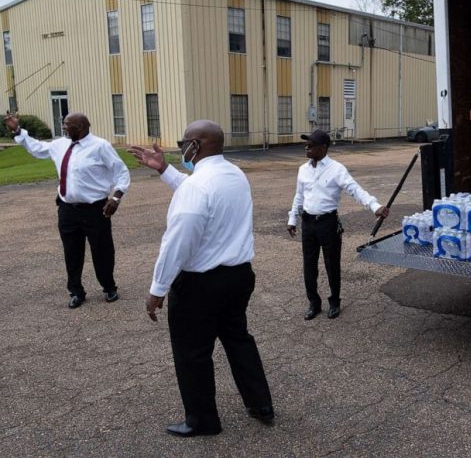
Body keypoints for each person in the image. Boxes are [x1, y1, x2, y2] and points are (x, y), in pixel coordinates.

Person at [128, 121, 273, 437]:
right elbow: (199, 191)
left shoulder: (197, 187)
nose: (181, 149)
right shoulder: (234, 175)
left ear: (196, 145)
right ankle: (261, 404)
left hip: (200, 286)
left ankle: (203, 420)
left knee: (192, 352)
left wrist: (158, 289)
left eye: (183, 143)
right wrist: (164, 169)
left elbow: (177, 242)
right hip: (238, 277)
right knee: (238, 340)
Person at [3, 112, 128, 308]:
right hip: (67, 209)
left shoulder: (100, 146)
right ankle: (76, 291)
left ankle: (109, 287)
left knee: (102, 250)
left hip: (95, 209)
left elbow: (121, 172)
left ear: (81, 127)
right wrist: (18, 130)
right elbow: (37, 148)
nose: (63, 128)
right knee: (72, 251)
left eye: (67, 125)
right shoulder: (60, 144)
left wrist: (115, 198)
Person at [287, 130, 390, 320]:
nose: (307, 147)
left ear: (324, 147)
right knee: (309, 266)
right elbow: (299, 196)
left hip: (328, 223)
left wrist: (374, 206)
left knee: (332, 265)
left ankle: (334, 302)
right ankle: (314, 303)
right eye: (306, 144)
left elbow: (354, 189)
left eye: (311, 144)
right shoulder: (303, 169)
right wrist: (292, 218)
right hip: (308, 223)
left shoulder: (337, 169)